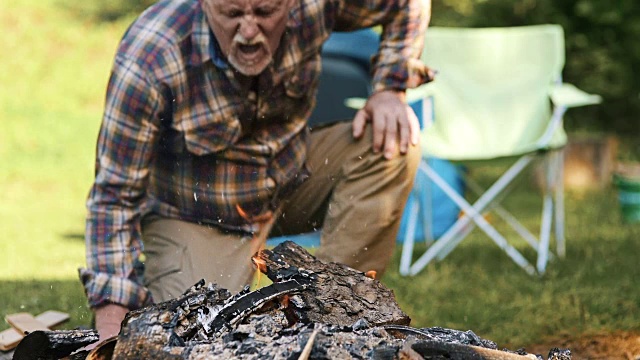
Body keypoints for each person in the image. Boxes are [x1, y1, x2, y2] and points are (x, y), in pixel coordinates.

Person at [79, 0, 434, 344]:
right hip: (196, 213)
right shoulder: (153, 54)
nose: (249, 32)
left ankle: (333, 316)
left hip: (289, 178)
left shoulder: (314, 5)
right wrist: (111, 319)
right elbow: (115, 194)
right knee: (201, 334)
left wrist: (390, 87)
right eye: (232, 13)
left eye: (265, 12)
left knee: (391, 142)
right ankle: (158, 279)